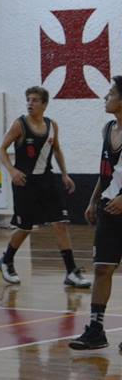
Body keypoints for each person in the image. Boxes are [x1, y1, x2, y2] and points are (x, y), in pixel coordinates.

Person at [0, 86, 89, 288]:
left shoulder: (52, 125)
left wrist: (64, 174)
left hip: (47, 181)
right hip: (25, 182)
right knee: (25, 227)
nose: (30, 103)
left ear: (44, 104)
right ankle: (6, 260)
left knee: (60, 223)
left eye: (35, 100)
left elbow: (57, 150)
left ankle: (71, 272)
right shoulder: (19, 124)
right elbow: (1, 149)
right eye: (28, 99)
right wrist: (12, 170)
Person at [70, 76, 122, 350]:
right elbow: (106, 172)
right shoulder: (108, 129)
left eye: (111, 93)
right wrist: (92, 201)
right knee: (102, 268)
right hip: (109, 208)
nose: (105, 97)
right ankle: (96, 331)